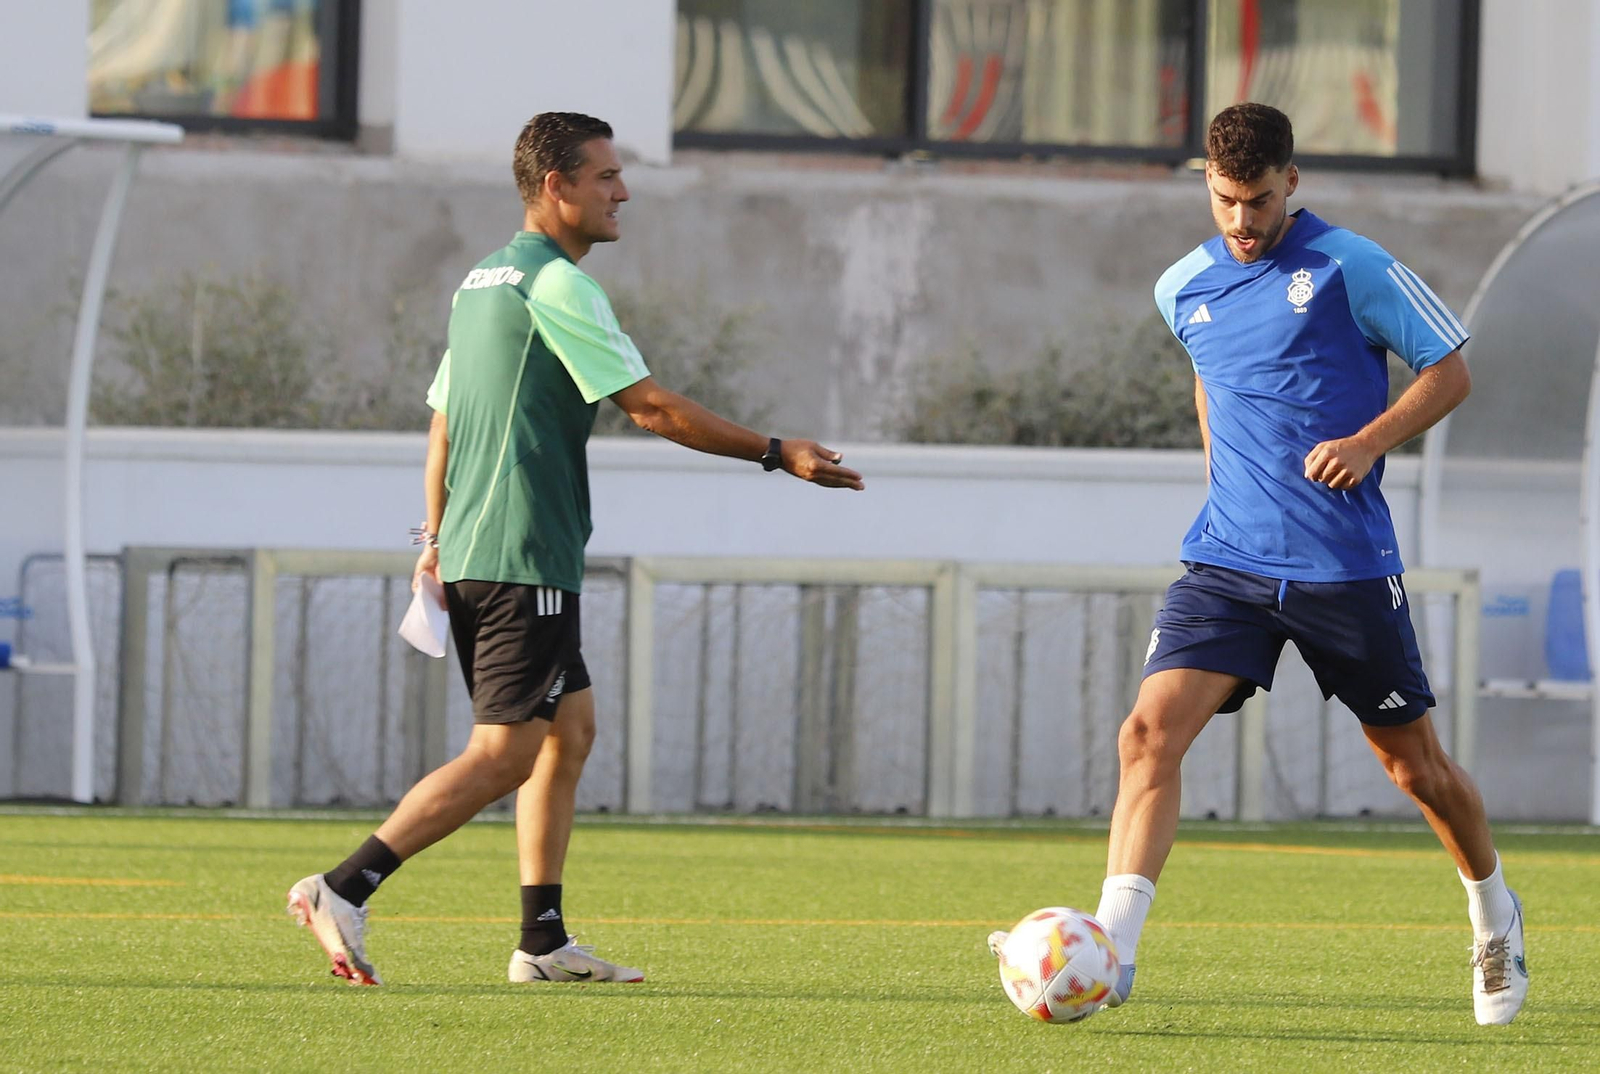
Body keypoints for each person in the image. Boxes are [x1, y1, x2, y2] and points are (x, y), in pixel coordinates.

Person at [287, 111, 864, 986]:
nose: (622, 191)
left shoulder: (481, 282)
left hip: (491, 547)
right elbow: (651, 407)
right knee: (507, 752)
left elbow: (442, 424)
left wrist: (433, 537)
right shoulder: (556, 285)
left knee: (570, 730)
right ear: (556, 187)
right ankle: (345, 886)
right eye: (605, 177)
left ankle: (543, 941)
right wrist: (777, 452)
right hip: (521, 552)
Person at [990, 103, 1526, 1026]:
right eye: (1228, 200)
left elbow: (1450, 369)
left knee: (1414, 770)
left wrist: (1365, 442)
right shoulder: (1180, 287)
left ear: (1293, 183)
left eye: (1262, 202)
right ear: (1207, 181)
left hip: (1343, 567)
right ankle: (1113, 950)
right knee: (1148, 734)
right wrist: (1222, 480)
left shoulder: (1351, 265)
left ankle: (1493, 915)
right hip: (1227, 562)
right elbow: (1211, 373)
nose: (1243, 222)